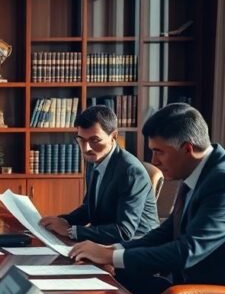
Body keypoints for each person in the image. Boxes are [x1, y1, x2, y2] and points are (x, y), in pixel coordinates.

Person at [69, 103, 225, 294]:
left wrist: (110, 257)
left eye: (159, 152)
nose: (154, 161)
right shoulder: (199, 171)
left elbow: (188, 251)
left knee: (111, 287)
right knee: (98, 282)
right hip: (196, 283)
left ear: (187, 149)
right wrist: (112, 250)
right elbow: (167, 231)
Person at [40, 105, 159, 245]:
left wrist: (71, 231)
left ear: (114, 136)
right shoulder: (94, 159)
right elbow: (89, 208)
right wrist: (63, 221)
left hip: (137, 248)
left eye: (94, 140)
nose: (86, 148)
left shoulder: (130, 171)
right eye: (81, 140)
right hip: (105, 242)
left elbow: (124, 232)